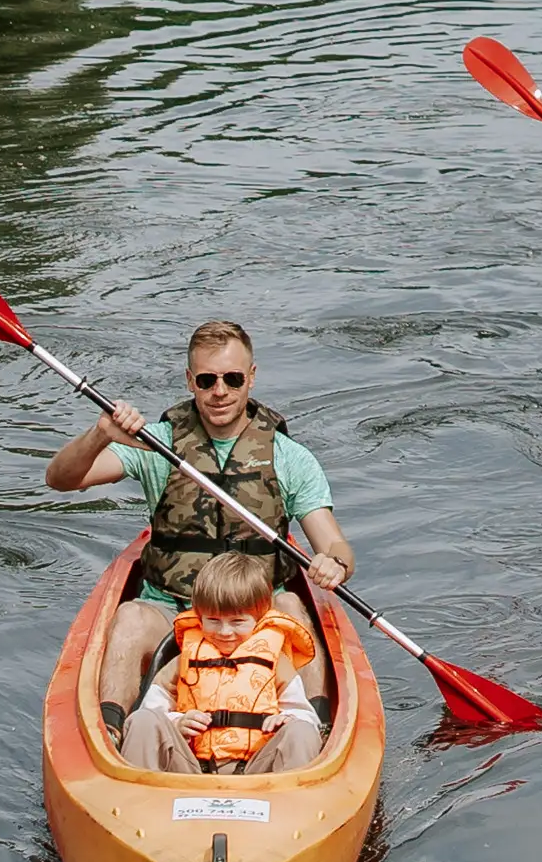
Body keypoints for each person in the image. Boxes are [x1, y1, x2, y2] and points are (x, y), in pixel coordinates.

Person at [44, 319, 358, 721]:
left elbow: (333, 544)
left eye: (232, 378)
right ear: (190, 380)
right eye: (207, 379)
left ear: (252, 378)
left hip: (255, 615)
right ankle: (113, 733)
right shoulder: (156, 442)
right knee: (129, 618)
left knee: (292, 605)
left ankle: (313, 728)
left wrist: (335, 563)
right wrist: (101, 434)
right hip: (173, 610)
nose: (220, 391)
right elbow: (61, 480)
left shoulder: (288, 456)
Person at [119, 548, 326, 774]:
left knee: (301, 731)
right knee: (142, 721)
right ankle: (139, 795)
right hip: (189, 768)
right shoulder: (181, 662)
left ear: (259, 618)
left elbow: (306, 717)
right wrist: (177, 722)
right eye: (214, 621)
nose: (225, 631)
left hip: (258, 770)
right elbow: (152, 709)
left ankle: (295, 801)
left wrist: (285, 720)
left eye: (237, 621)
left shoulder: (278, 663)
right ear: (199, 615)